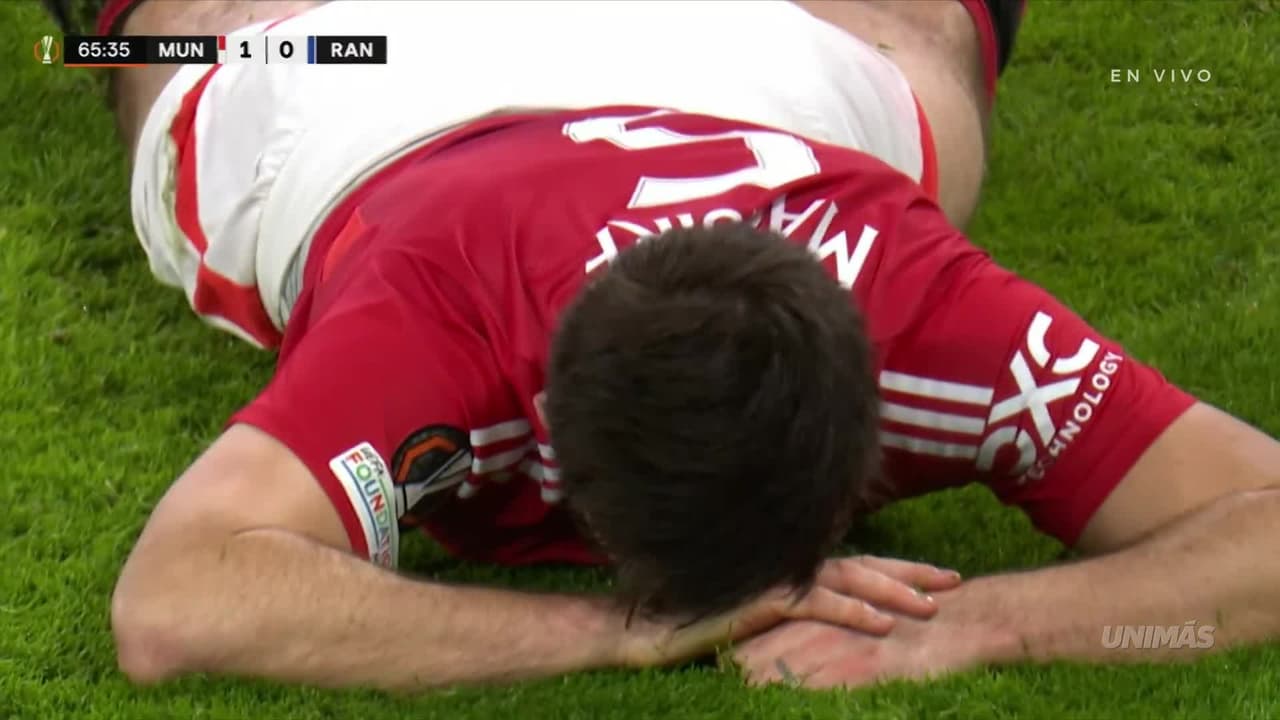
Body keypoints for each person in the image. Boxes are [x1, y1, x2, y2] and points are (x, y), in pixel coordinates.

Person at [50, 0, 1280, 691]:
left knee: (183, 35)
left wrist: (985, 623)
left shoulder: (925, 309)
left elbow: (182, 596)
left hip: (374, 51)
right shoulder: (439, 319)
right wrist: (605, 632)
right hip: (430, 60)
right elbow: (172, 606)